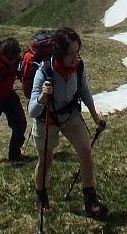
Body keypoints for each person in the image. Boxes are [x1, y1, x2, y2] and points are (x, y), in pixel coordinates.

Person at [28, 27, 109, 218]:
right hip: (46, 118)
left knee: (86, 152)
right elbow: (32, 110)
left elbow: (84, 92)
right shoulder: (44, 72)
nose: (75, 58)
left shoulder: (78, 68)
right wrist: (42, 97)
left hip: (69, 116)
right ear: (59, 52)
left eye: (77, 52)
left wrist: (96, 117)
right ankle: (41, 196)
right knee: (46, 161)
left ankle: (90, 200)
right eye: (70, 53)